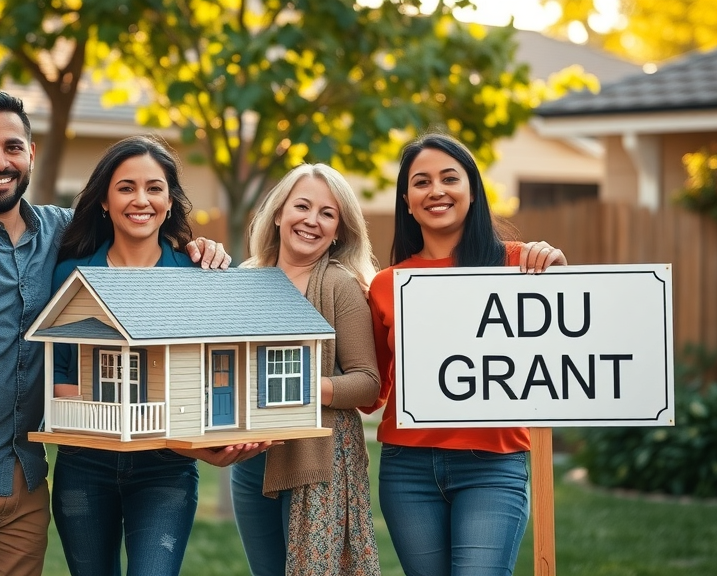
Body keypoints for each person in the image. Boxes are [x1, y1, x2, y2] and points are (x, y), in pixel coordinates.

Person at [0, 91, 228, 576]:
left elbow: (137, 222)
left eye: (13, 147)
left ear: (31, 153)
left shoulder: (61, 231)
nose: (1, 162)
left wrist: (194, 246)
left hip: (25, 477)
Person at [48, 134, 266, 576]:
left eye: (154, 188)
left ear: (169, 202)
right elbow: (59, 380)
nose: (140, 199)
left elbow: (212, 376)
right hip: (84, 465)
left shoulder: (198, 274)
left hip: (165, 471)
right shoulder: (72, 275)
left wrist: (202, 443)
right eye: (126, 187)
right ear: (104, 201)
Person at [364, 132, 567, 576]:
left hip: (493, 465)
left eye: (449, 178)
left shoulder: (520, 266)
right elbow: (372, 393)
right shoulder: (385, 285)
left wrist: (557, 272)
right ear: (407, 200)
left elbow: (561, 341)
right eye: (421, 182)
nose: (436, 190)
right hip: (407, 468)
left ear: (472, 191)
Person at [231, 163, 382, 576]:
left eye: (327, 214)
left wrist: (300, 389)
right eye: (302, 206)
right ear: (279, 212)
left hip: (317, 460)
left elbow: (367, 384)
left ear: (339, 231)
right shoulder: (242, 279)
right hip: (250, 461)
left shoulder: (339, 286)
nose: (312, 221)